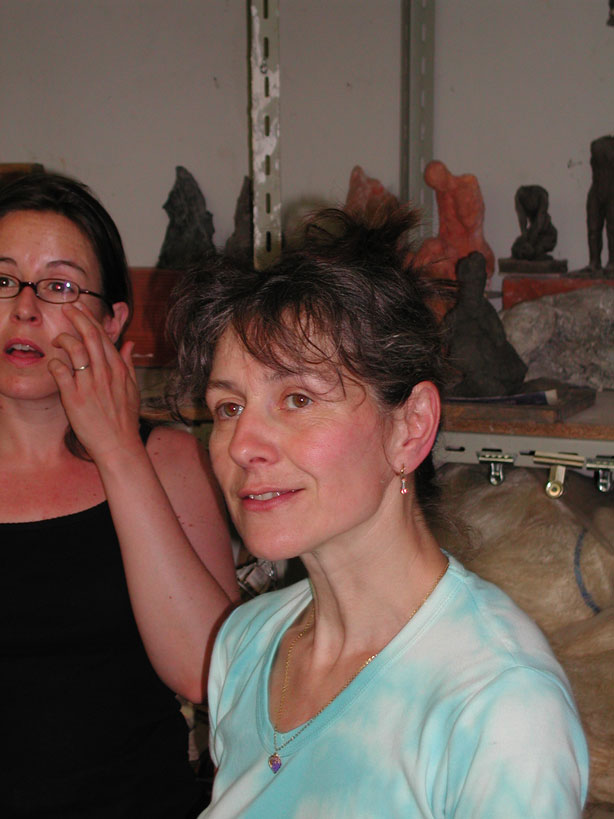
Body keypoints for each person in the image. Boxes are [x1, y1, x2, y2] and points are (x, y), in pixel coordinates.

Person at [165, 207, 589, 818]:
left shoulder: (499, 703)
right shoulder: (247, 645)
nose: (241, 445)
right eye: (229, 407)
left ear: (410, 428)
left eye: (298, 398)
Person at [0, 172, 237, 818]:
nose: (24, 309)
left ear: (112, 322)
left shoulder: (167, 460)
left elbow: (207, 671)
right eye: (3, 279)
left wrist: (117, 449)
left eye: (59, 286)